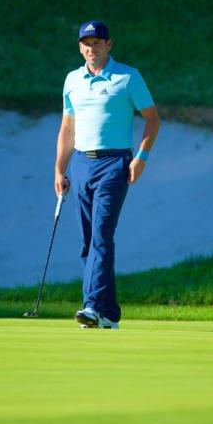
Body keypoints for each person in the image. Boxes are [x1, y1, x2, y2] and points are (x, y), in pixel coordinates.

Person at [55, 21, 161, 330]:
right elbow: (67, 128)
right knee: (89, 240)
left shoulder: (128, 77)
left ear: (109, 45)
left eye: (97, 42)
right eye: (86, 43)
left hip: (115, 164)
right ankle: (109, 314)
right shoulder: (72, 80)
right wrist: (59, 169)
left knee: (102, 235)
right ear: (80, 47)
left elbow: (153, 120)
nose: (91, 48)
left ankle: (91, 306)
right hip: (80, 163)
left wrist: (141, 157)